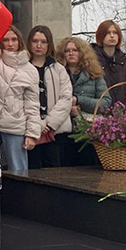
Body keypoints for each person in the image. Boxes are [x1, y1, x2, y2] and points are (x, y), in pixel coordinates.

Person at [0, 26, 40, 174]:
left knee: (18, 172)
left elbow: (32, 104)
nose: (10, 44)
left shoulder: (31, 70)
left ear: (20, 41)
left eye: (14, 39)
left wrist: (32, 133)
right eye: (6, 40)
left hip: (16, 125)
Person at [55, 36, 110, 166]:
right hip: (63, 131)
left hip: (88, 131)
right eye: (67, 50)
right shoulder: (55, 74)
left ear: (82, 53)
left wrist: (79, 100)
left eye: (75, 50)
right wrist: (68, 108)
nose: (71, 53)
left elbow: (105, 103)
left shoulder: (95, 74)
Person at [26, 26, 73, 168]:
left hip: (54, 132)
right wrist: (38, 125)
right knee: (32, 171)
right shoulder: (23, 69)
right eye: (35, 41)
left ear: (49, 44)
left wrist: (49, 123)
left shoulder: (59, 69)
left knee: (53, 171)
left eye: (43, 42)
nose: (39, 45)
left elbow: (66, 98)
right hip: (30, 130)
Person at [92, 20, 126, 111]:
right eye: (108, 33)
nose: (112, 36)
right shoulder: (92, 61)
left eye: (115, 33)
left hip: (124, 114)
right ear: (101, 35)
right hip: (99, 113)